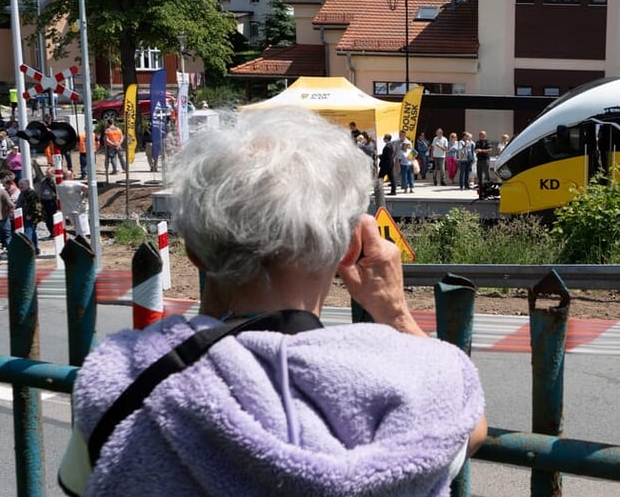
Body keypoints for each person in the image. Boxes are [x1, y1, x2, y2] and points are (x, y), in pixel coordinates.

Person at [58, 106, 486, 495]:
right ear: (352, 245)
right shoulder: (425, 379)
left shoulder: (122, 377)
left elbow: (81, 483)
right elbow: (472, 426)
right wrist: (393, 311)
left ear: (194, 252)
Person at [56, 171, 90, 240]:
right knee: (82, 229)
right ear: (71, 176)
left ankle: (80, 240)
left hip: (68, 209)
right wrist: (84, 195)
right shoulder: (74, 184)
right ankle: (84, 242)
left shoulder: (59, 185)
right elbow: (87, 188)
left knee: (77, 228)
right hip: (79, 208)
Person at [17, 179, 40, 255]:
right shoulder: (22, 193)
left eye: (22, 184)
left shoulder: (31, 193)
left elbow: (36, 206)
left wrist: (31, 215)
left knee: (28, 234)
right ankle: (35, 249)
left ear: (27, 184)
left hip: (30, 217)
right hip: (23, 217)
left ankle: (28, 251)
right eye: (19, 184)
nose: (20, 186)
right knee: (32, 233)